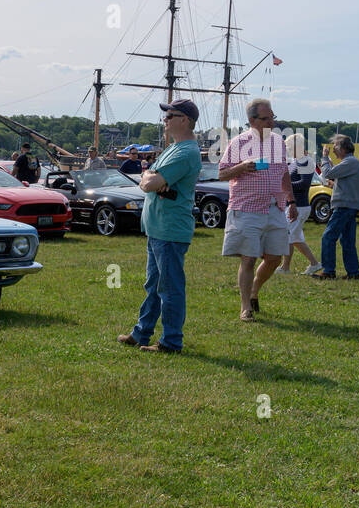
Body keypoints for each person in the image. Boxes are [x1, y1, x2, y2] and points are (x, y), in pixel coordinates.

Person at [117, 100, 203, 354]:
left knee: (170, 288)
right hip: (158, 228)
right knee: (154, 285)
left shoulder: (186, 152)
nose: (164, 120)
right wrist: (150, 175)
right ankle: (142, 332)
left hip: (170, 230)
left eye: (170, 116)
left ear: (184, 120)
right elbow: (148, 175)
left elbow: (148, 183)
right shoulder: (173, 148)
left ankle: (171, 342)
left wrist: (152, 178)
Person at [218, 98, 296, 321]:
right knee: (249, 258)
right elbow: (222, 173)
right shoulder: (238, 143)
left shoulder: (278, 142)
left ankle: (254, 291)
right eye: (265, 118)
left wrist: (291, 201)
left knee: (274, 258)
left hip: (275, 207)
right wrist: (242, 166)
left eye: (273, 117)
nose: (271, 122)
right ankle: (245, 307)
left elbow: (283, 173)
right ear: (252, 120)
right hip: (247, 208)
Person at [313, 134, 359, 280]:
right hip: (349, 206)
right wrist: (334, 185)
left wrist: (324, 158)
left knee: (328, 237)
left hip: (344, 206)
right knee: (347, 241)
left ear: (342, 148)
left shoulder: (349, 162)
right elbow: (343, 181)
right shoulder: (351, 162)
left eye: (335, 146)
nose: (332, 150)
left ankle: (329, 271)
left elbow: (328, 173)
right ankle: (353, 273)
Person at [281, 133, 321, 274]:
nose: (288, 150)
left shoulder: (306, 161)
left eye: (290, 147)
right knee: (296, 238)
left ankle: (285, 268)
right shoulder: (295, 161)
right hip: (294, 204)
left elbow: (304, 184)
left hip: (299, 205)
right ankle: (314, 264)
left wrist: (285, 185)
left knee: (289, 236)